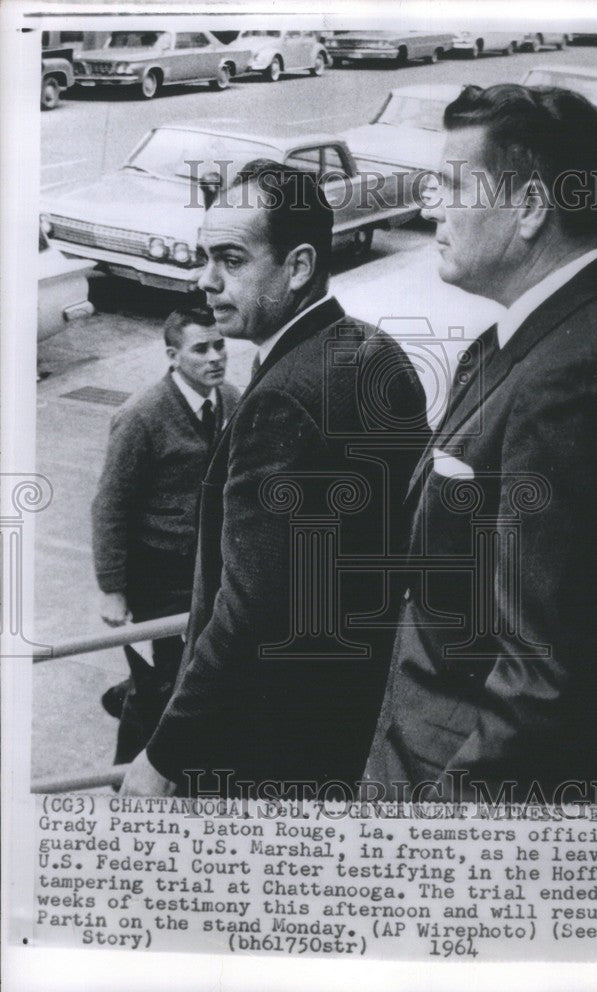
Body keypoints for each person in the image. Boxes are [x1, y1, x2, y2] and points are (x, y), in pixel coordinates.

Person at [363, 84, 597, 806]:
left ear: (529, 209)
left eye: (454, 184)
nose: (431, 207)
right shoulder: (568, 327)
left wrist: (418, 844)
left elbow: (540, 682)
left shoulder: (578, 376)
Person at [121, 161, 427, 797]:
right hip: (349, 722)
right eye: (207, 258)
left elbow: (250, 608)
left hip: (263, 748)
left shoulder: (280, 398)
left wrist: (163, 755)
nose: (206, 281)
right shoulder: (373, 350)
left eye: (231, 259)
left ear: (298, 266)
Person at [92, 306, 240, 764]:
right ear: (173, 355)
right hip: (157, 581)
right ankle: (123, 780)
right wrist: (112, 590)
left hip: (208, 574)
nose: (216, 357)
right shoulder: (140, 417)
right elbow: (110, 506)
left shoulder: (232, 400)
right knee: (159, 693)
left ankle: (135, 688)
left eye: (220, 345)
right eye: (202, 349)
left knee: (194, 675)